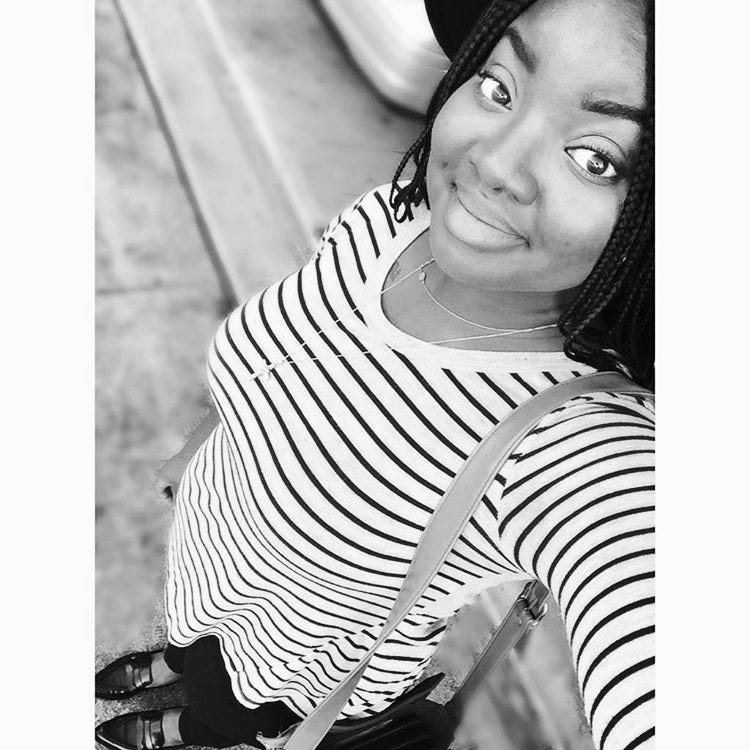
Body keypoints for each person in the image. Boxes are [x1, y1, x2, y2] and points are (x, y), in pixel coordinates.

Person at [95, 0, 655, 748]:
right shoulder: (400, 216)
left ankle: (183, 728)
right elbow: (294, 360)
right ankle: (175, 658)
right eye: (499, 86)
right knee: (194, 646)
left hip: (291, 666)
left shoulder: (569, 444)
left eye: (596, 159)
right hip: (206, 559)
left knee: (225, 710)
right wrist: (203, 450)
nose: (491, 163)